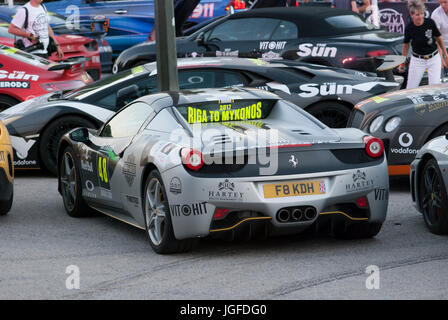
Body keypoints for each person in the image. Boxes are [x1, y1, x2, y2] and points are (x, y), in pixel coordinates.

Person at [398, 0, 448, 88]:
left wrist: (445, 55)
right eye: (417, 14)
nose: (420, 17)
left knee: (434, 87)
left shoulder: (430, 23)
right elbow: (406, 46)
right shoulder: (409, 28)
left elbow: (439, 39)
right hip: (417, 60)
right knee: (411, 87)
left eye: (422, 14)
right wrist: (402, 63)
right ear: (412, 15)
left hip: (433, 58)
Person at [431, 0, 448, 74]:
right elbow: (437, 38)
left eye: (445, 2)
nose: (442, 5)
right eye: (440, 3)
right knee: (441, 73)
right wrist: (441, 57)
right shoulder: (436, 14)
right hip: (441, 46)